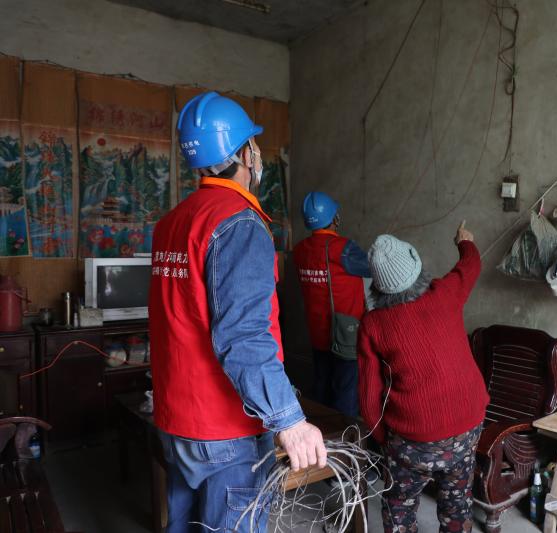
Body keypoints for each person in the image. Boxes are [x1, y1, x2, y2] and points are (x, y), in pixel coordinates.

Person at [149, 91, 326, 533]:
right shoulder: (240, 223)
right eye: (254, 144)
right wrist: (289, 420)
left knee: (184, 524)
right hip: (225, 429)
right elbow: (243, 335)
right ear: (246, 153)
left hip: (176, 420)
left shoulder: (172, 223)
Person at [358, 222, 490, 533]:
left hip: (412, 440)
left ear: (377, 286)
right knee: (457, 502)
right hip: (467, 426)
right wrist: (464, 241)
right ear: (417, 267)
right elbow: (471, 264)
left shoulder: (373, 325)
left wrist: (385, 440)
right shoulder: (446, 292)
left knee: (399, 506)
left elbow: (368, 396)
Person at [293, 192, 370, 417]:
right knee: (346, 391)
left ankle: (322, 432)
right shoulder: (343, 248)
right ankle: (345, 436)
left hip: (318, 332)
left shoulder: (300, 250)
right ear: (334, 217)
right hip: (345, 335)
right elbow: (372, 268)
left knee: (322, 387)